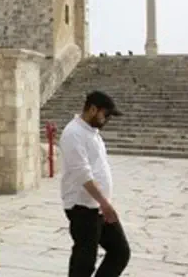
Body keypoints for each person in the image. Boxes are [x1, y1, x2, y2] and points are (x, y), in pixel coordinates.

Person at [59, 91, 130, 277]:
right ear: (92, 109)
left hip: (97, 207)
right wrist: (105, 204)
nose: (107, 120)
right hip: (82, 207)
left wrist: (104, 203)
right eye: (105, 115)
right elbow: (83, 174)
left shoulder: (92, 133)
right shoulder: (73, 134)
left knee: (120, 252)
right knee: (84, 262)